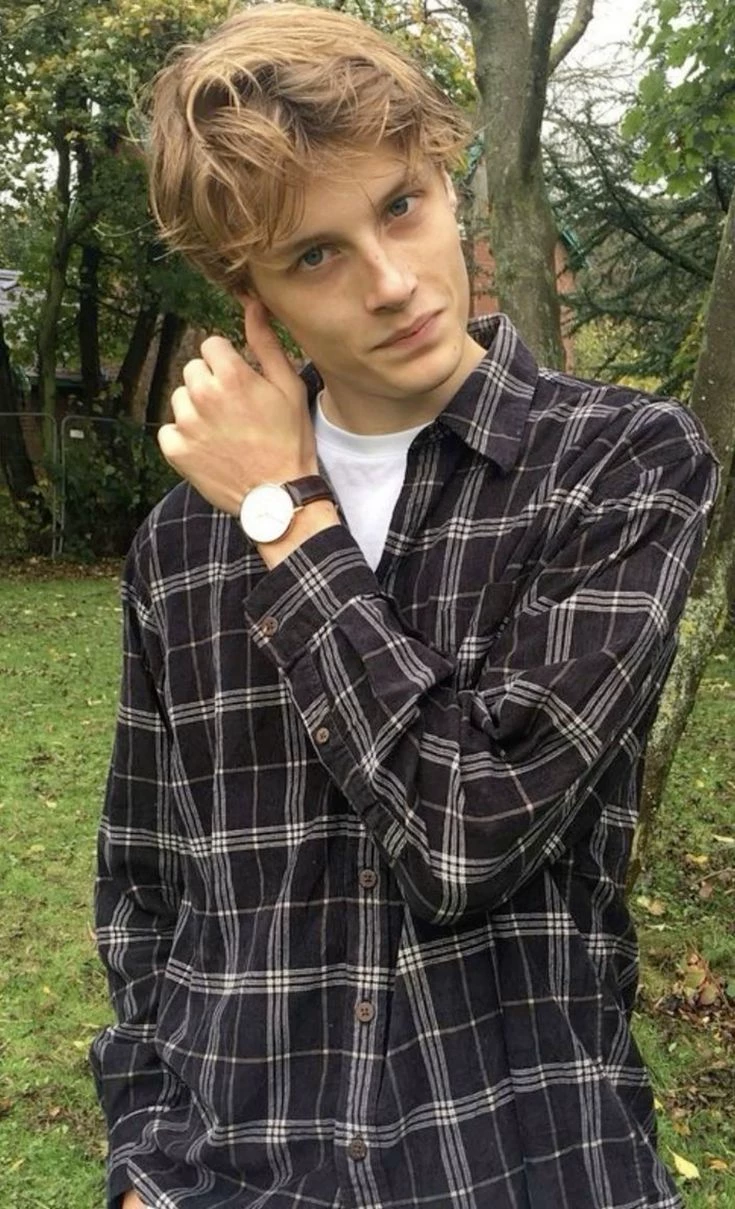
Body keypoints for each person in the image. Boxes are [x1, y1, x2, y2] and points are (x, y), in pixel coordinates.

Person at [90, 4, 719, 1208]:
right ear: (247, 288)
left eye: (400, 206)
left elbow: (465, 836)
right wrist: (145, 1169)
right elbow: (145, 889)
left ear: (445, 177)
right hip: (236, 1178)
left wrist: (288, 519)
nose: (391, 283)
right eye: (314, 255)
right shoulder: (180, 541)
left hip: (524, 1169)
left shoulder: (620, 465)